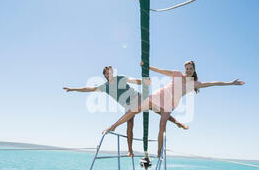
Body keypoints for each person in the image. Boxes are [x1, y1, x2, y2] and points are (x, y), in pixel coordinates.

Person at [103, 61, 245, 158]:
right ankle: (113, 126)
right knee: (135, 110)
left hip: (170, 104)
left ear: (194, 70)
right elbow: (161, 70)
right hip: (160, 96)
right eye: (187, 68)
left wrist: (230, 83)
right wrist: (147, 66)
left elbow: (212, 83)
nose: (188, 70)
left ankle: (159, 152)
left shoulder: (194, 84)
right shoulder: (177, 74)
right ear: (185, 69)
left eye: (191, 68)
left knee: (162, 125)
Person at [63, 65, 187, 157]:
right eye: (107, 73)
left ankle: (177, 123)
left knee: (159, 111)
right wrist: (73, 89)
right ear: (105, 75)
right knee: (130, 125)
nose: (109, 74)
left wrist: (144, 82)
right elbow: (89, 88)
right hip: (127, 105)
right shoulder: (105, 87)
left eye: (111, 72)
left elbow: (135, 81)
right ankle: (130, 150)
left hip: (137, 97)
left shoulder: (120, 78)